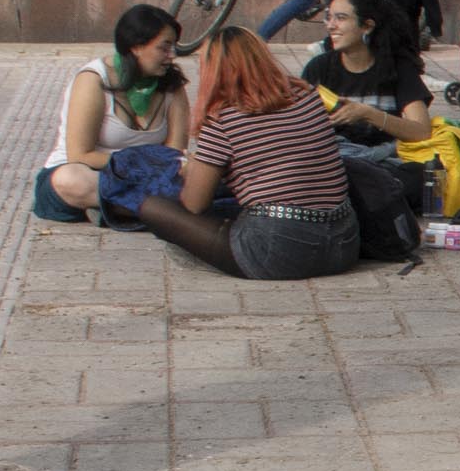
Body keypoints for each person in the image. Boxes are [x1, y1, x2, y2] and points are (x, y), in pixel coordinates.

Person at [137, 28, 363, 281]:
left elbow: (194, 204)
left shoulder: (223, 118)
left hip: (280, 251)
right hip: (344, 242)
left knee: (153, 207)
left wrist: (192, 170)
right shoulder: (307, 95)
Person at [41, 4, 191, 217]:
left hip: (147, 178)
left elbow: (175, 154)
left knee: (198, 176)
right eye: (164, 48)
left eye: (174, 47)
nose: (171, 55)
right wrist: (140, 164)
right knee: (72, 179)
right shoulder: (93, 80)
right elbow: (79, 155)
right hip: (91, 174)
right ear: (136, 46)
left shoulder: (173, 86)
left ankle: (117, 210)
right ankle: (154, 212)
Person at [299, 0, 434, 157]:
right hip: (335, 164)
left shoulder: (396, 67)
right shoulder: (319, 68)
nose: (331, 26)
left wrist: (368, 114)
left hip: (385, 164)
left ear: (367, 26)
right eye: (329, 18)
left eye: (341, 18)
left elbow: (421, 131)